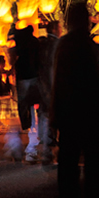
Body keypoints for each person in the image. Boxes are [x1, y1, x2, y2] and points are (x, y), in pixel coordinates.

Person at [51, 3, 99, 198]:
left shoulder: (64, 44)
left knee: (68, 162)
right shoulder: (92, 46)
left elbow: (59, 81)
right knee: (94, 164)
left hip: (70, 113)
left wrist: (55, 115)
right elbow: (98, 83)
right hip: (91, 112)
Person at [9, 24, 41, 162]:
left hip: (23, 75)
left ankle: (26, 122)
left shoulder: (19, 43)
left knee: (23, 101)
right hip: (34, 75)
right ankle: (35, 122)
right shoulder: (35, 42)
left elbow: (13, 57)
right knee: (36, 100)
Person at [38, 20, 62, 164]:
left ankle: (47, 145)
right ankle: (52, 144)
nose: (60, 30)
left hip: (42, 85)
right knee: (54, 115)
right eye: (59, 27)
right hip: (53, 85)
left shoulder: (41, 44)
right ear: (54, 28)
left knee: (44, 114)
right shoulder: (57, 44)